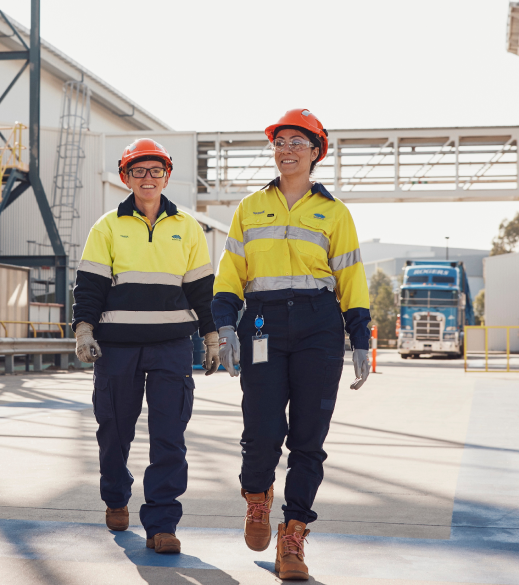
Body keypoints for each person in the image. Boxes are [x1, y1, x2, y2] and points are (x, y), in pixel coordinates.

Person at [212, 108, 371, 580]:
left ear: (316, 152)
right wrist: (224, 326)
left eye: (297, 143)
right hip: (260, 322)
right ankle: (257, 496)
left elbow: (351, 276)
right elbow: (230, 273)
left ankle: (294, 534)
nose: (286, 150)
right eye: (280, 142)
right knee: (262, 425)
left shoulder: (334, 212)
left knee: (308, 435)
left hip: (319, 326)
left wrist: (359, 338)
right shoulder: (249, 207)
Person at [72, 138, 221, 555]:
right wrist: (84, 329)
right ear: (126, 177)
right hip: (117, 347)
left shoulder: (187, 227)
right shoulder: (107, 226)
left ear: (167, 176)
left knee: (169, 435)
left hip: (172, 345)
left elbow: (202, 292)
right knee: (114, 431)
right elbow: (90, 287)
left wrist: (211, 337)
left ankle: (162, 522)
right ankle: (116, 496)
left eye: (155, 170)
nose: (148, 178)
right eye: (138, 170)